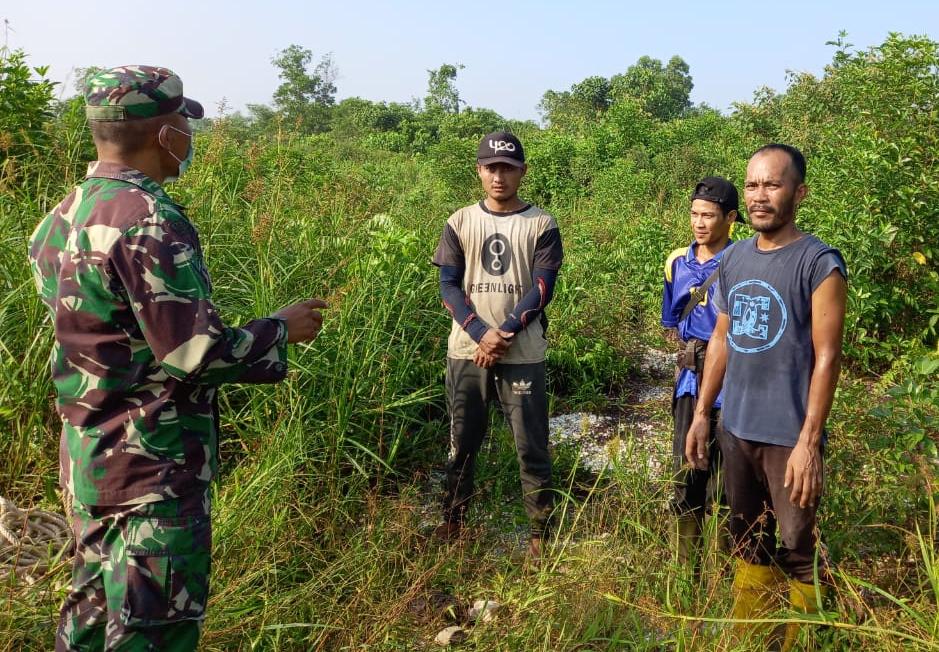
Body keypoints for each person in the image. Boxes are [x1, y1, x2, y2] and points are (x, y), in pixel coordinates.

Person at [28, 66, 327, 651]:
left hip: (91, 462)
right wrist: (280, 331)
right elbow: (194, 354)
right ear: (165, 133)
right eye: (185, 124)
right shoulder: (149, 219)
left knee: (90, 617)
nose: (190, 137)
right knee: (152, 629)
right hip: (151, 468)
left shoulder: (62, 216)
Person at [685, 144, 847, 649]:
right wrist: (703, 416)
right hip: (737, 426)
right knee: (747, 537)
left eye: (772, 185)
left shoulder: (819, 263)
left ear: (799, 192)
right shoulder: (734, 257)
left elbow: (827, 357)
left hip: (788, 434)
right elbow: (721, 339)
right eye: (752, 185)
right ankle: (753, 635)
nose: (759, 195)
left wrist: (808, 442)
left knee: (798, 544)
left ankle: (806, 636)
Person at [431, 131, 563, 559]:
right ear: (479, 171)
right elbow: (448, 285)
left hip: (522, 354)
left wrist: (501, 332)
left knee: (531, 445)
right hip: (467, 351)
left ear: (522, 171)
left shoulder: (541, 224)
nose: (499, 176)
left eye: (507, 167)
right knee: (461, 442)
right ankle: (454, 523)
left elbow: (542, 287)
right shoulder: (460, 221)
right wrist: (477, 332)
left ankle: (541, 535)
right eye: (491, 167)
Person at [661, 176, 741, 569]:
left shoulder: (742, 261)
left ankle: (722, 572)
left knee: (725, 483)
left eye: (708, 215)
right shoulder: (677, 261)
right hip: (690, 379)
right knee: (686, 471)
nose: (699, 223)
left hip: (731, 381)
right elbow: (671, 320)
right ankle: (684, 576)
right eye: (694, 214)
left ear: (730, 218)